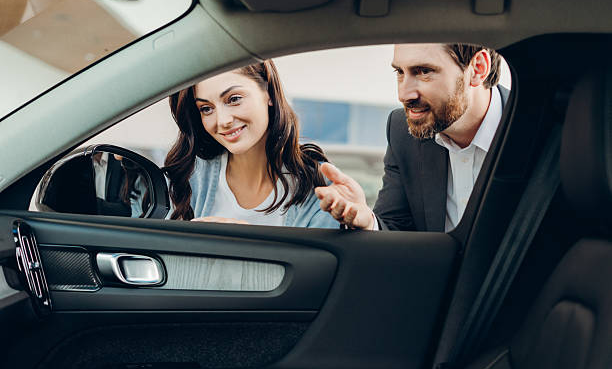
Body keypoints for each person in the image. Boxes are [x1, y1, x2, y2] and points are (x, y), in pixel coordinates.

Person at [315, 43, 510, 231]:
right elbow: (396, 227)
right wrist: (369, 223)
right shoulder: (402, 131)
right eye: (400, 72)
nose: (403, 94)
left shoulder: (528, 129)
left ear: (477, 69)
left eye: (424, 72)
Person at [163, 60, 338, 228]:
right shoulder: (188, 178)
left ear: (269, 92)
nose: (222, 121)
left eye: (234, 99)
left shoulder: (319, 188)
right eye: (206, 109)